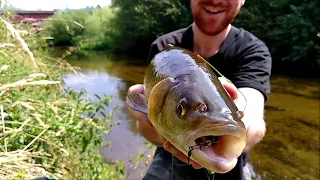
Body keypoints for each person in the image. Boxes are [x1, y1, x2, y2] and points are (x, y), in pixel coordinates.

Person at [126, 0, 272, 179]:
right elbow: (148, 131)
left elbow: (254, 120)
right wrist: (147, 122)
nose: (216, 0)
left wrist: (239, 125)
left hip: (233, 162)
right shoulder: (162, 48)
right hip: (168, 154)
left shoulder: (252, 51)